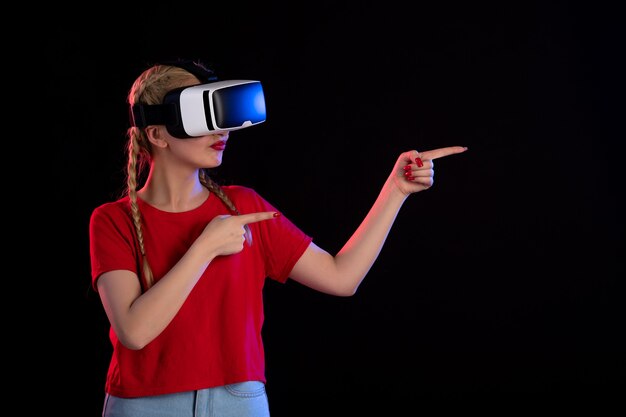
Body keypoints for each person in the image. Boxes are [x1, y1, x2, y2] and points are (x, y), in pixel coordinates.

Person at [89, 59, 468, 417]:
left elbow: (341, 277)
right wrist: (204, 247)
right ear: (157, 134)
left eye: (221, 114)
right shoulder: (113, 220)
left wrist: (395, 191)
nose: (222, 130)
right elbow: (134, 332)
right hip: (142, 405)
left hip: (238, 401)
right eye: (201, 117)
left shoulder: (244, 206)